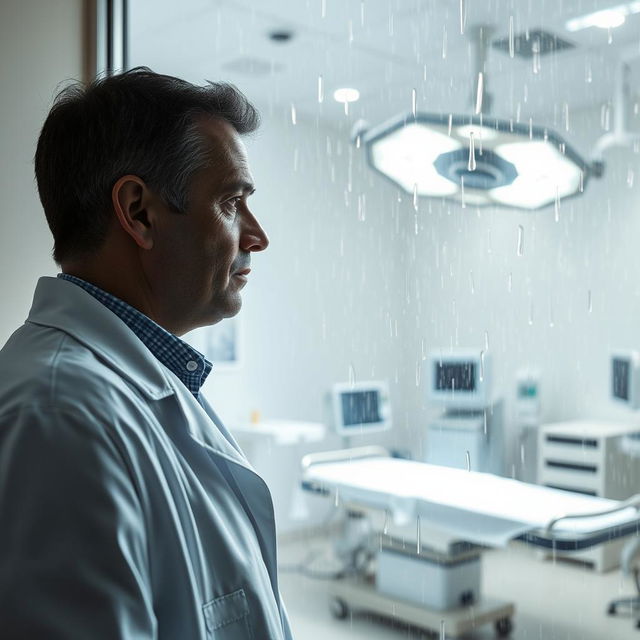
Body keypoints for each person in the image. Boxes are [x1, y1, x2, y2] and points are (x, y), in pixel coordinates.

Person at [0, 68, 293, 640]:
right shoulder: (60, 419)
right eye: (231, 202)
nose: (256, 236)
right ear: (138, 212)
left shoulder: (139, 381)